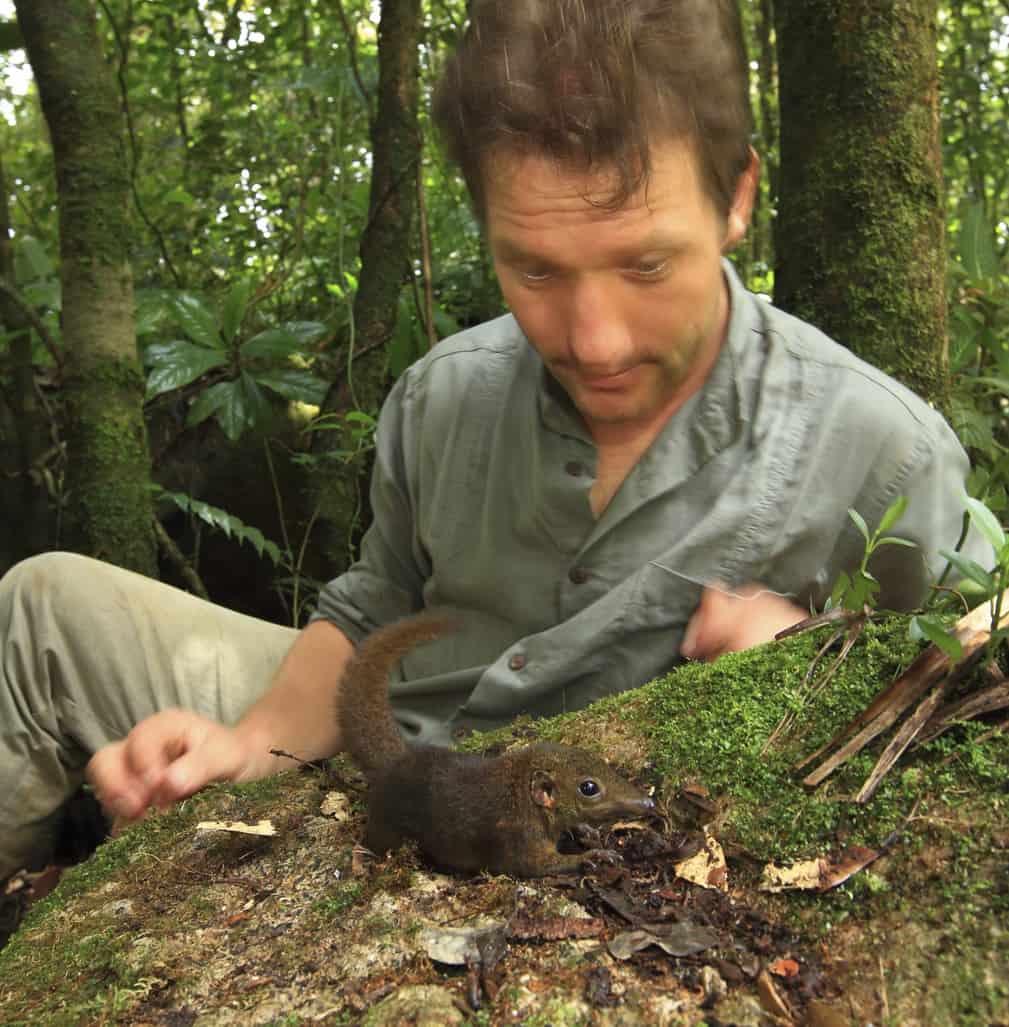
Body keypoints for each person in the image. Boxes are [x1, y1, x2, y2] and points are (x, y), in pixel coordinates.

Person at [0, 0, 985, 896]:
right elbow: (373, 605)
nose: (593, 339)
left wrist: (819, 667)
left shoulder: (880, 450)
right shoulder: (445, 393)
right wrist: (250, 741)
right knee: (42, 609)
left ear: (735, 199)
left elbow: (978, 655)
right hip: (398, 747)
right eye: (535, 268)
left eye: (645, 264)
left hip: (572, 800)